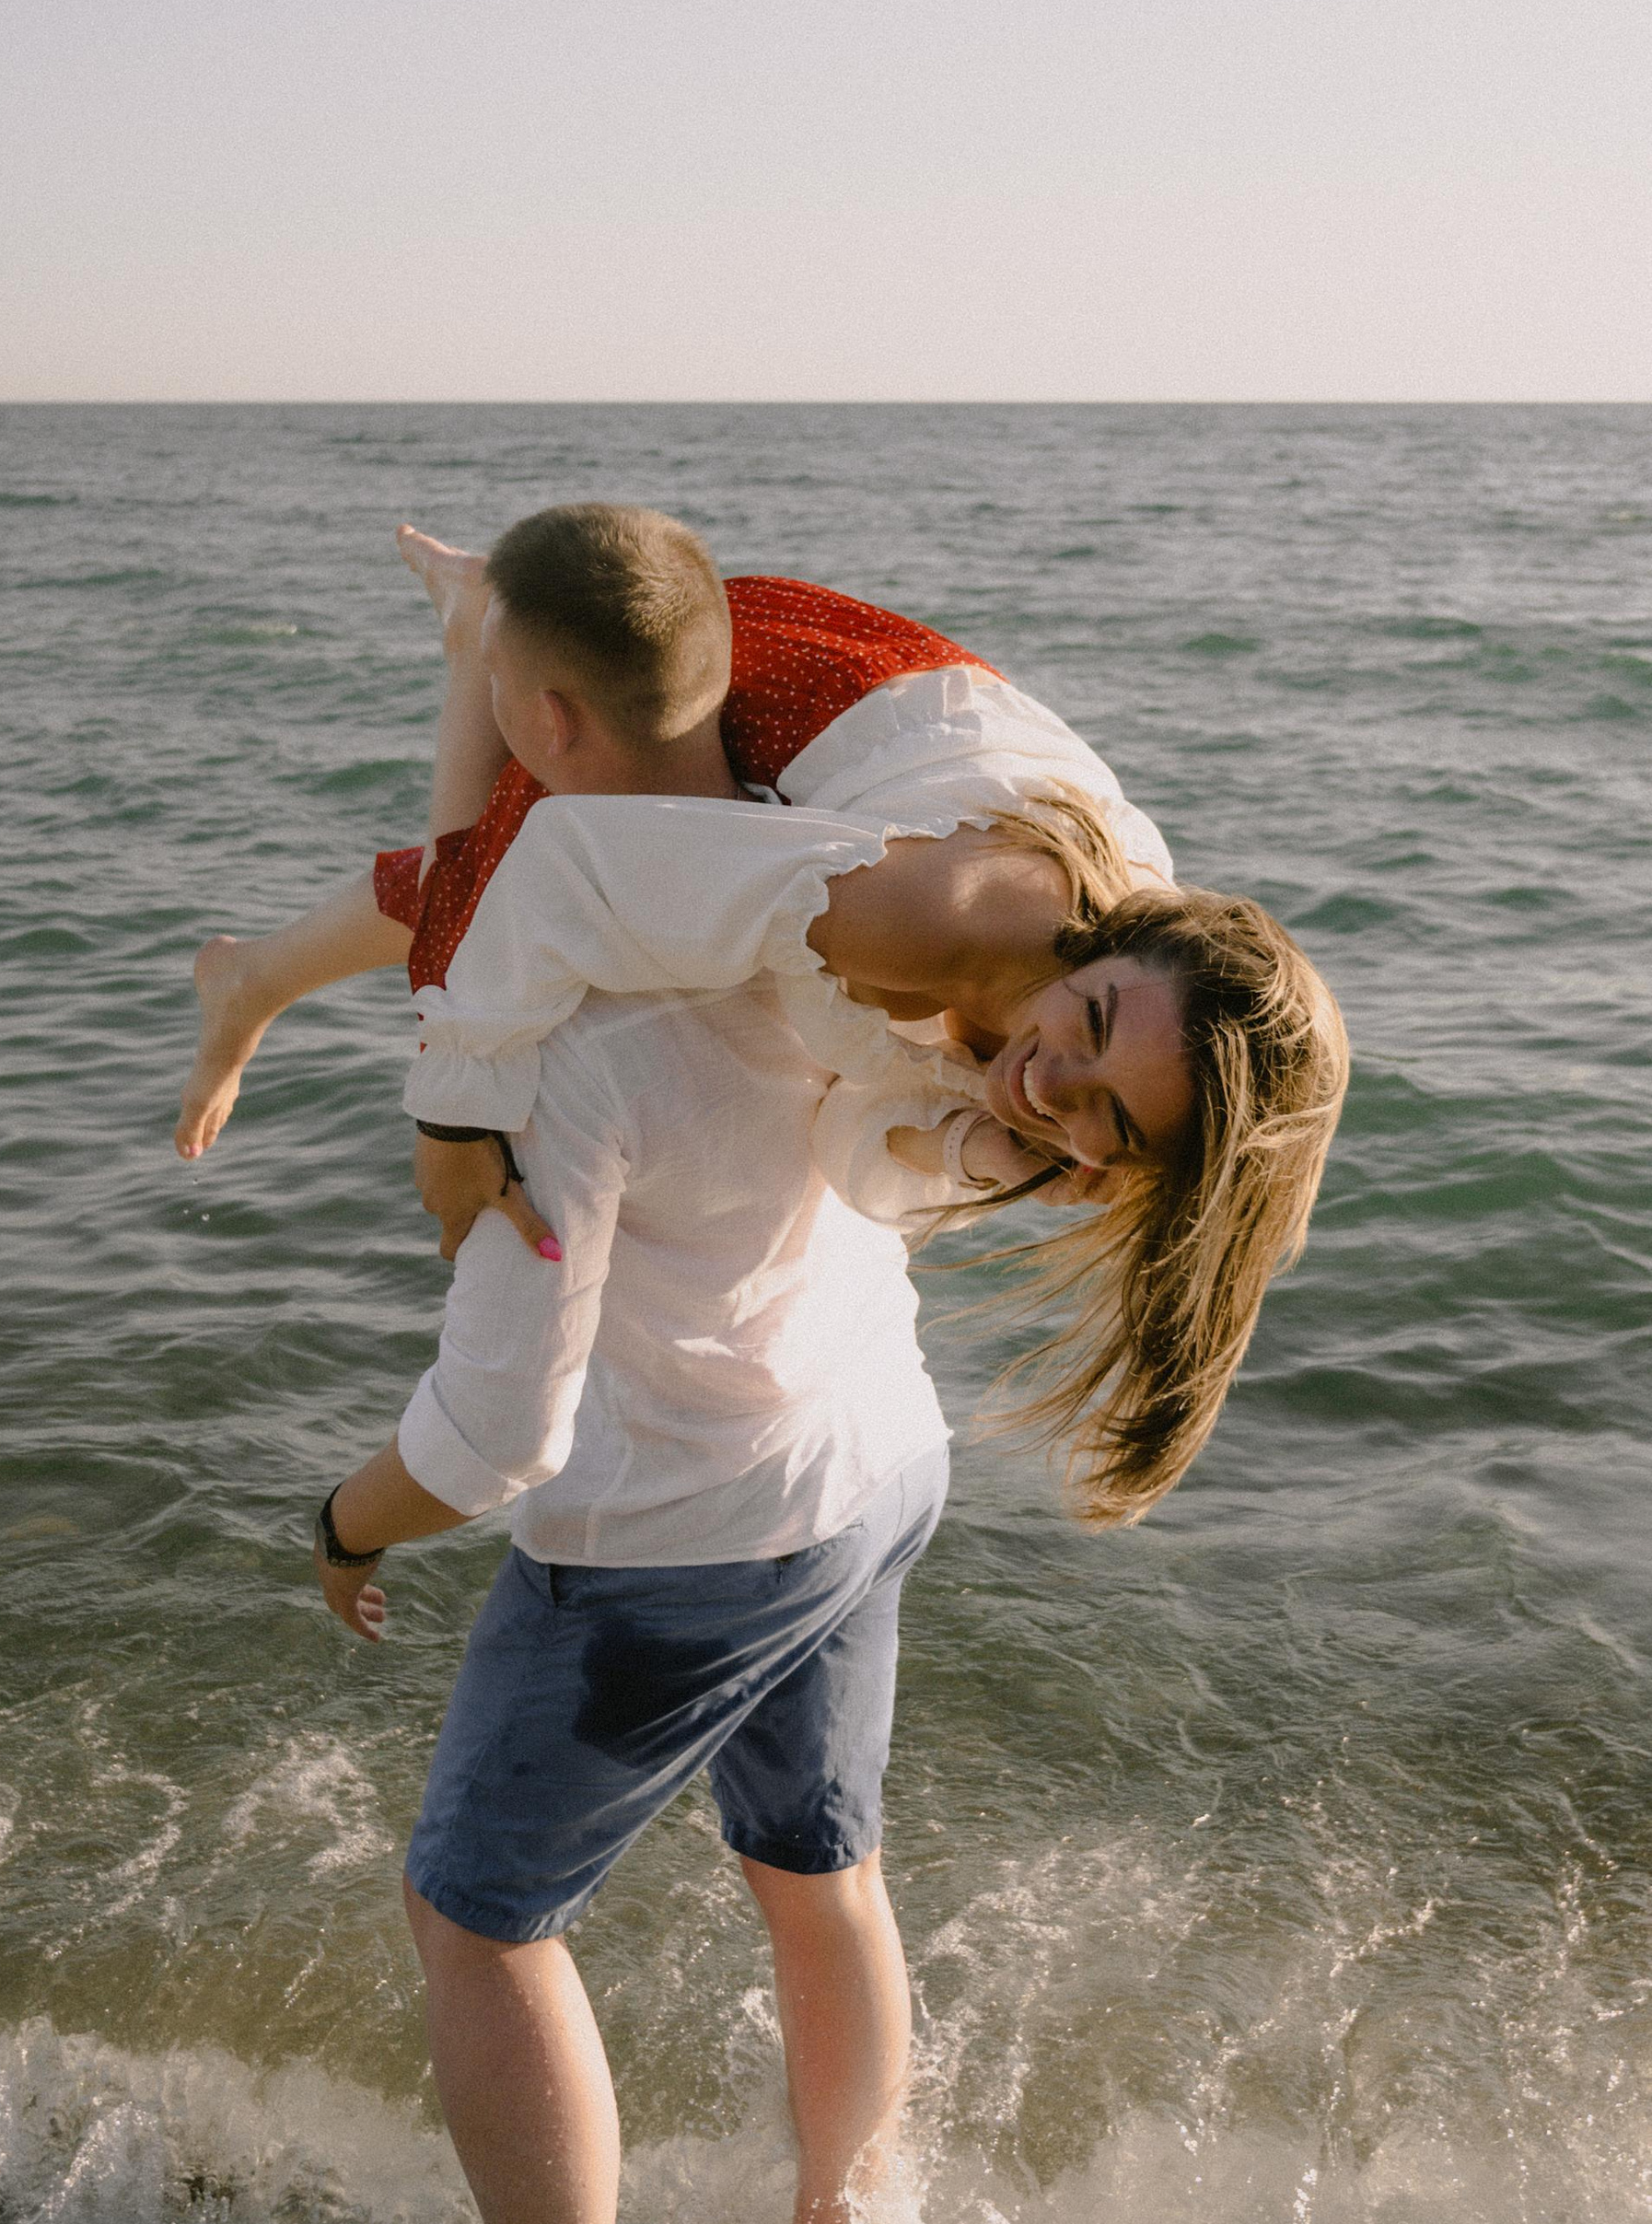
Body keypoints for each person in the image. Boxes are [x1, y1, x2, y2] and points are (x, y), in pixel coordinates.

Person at [182, 507, 1346, 1523]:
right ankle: (483, 640)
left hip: (911, 731)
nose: (1053, 1090)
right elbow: (560, 873)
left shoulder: (1104, 1055)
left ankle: (478, 637)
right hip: (790, 690)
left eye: (1113, 1121)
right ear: (1112, 944)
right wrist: (450, 1121)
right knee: (490, 889)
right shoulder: (916, 918)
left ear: (1143, 1166)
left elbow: (851, 1143)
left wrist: (968, 1150)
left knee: (533, 873)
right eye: (1087, 1029)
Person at [313, 926, 954, 2224]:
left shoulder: (574, 1042)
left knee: (476, 1918)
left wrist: (345, 1520)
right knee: (821, 1866)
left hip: (676, 1529)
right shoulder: (811, 922)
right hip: (872, 1456)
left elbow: (499, 1434)